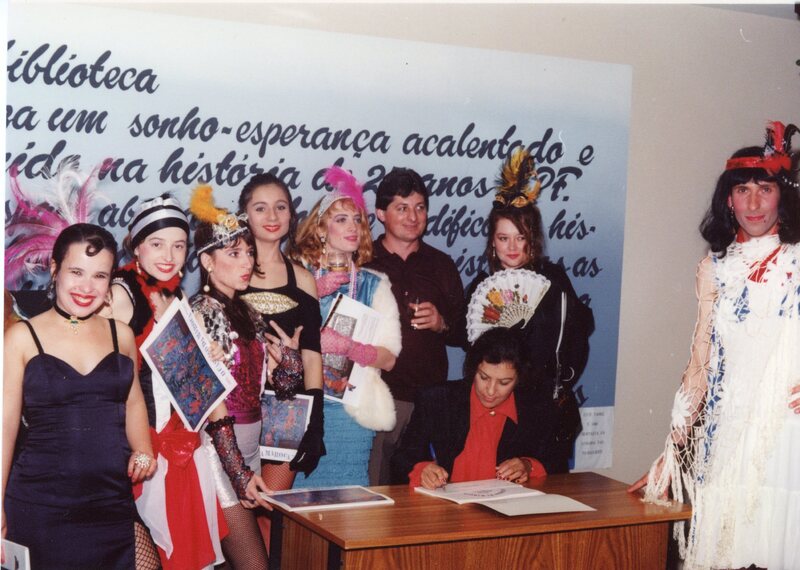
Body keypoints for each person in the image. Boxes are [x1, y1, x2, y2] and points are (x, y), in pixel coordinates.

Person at [628, 121, 800, 570]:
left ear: (782, 195)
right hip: (726, 436)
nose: (754, 203)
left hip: (788, 437)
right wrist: (671, 454)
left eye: (765, 189)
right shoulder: (714, 269)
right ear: (728, 199)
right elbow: (700, 366)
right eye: (743, 190)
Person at [2, 223, 156, 569]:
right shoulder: (21, 338)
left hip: (111, 501)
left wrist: (144, 449)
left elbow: (133, 401)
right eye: (76, 272)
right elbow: (4, 428)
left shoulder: (121, 334)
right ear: (55, 270)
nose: (87, 287)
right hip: (41, 507)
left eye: (100, 276)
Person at [104, 194, 230, 570]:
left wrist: (203, 355)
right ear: (136, 246)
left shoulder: (174, 292)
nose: (169, 255)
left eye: (178, 246)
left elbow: (184, 376)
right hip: (136, 449)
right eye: (157, 244)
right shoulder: (121, 293)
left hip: (178, 445)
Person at [190, 185, 303, 569]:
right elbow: (210, 405)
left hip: (251, 449)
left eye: (249, 252)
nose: (246, 261)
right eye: (234, 253)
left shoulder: (249, 312)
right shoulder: (201, 313)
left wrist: (289, 362)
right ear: (207, 261)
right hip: (219, 453)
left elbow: (281, 390)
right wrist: (237, 474)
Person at [464, 148, 594, 473]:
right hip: (495, 409)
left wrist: (559, 382)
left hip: (544, 409)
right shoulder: (481, 286)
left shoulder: (554, 281)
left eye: (520, 238)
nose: (511, 247)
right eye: (503, 238)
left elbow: (576, 339)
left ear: (532, 240)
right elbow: (470, 348)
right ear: (492, 242)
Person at [287, 165, 401, 487]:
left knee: (349, 503)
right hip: (299, 406)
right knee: (295, 503)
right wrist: (312, 293)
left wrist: (349, 347)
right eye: (341, 219)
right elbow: (271, 334)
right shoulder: (294, 276)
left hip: (350, 414)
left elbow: (389, 359)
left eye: (357, 220)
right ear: (321, 229)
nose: (352, 227)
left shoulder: (375, 284)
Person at [365, 167, 466, 485]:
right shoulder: (362, 261)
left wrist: (442, 323)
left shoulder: (441, 264)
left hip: (429, 403)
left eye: (420, 207)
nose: (413, 217)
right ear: (381, 213)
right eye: (402, 208)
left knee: (425, 495)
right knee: (376, 492)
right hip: (378, 399)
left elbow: (467, 334)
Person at [238, 173, 325, 491]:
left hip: (286, 415)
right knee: (235, 512)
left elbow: (312, 356)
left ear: (291, 214)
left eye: (281, 207)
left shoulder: (303, 279)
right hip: (236, 412)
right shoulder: (229, 274)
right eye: (260, 208)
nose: (272, 216)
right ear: (245, 216)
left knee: (270, 506)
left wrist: (314, 422)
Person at [391, 327, 558, 487]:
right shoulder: (438, 399)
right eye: (484, 377)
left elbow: (555, 461)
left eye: (504, 383)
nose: (490, 391)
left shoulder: (535, 409)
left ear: (519, 379)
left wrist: (528, 465)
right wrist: (422, 470)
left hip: (507, 504)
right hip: (447, 503)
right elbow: (402, 457)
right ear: (473, 369)